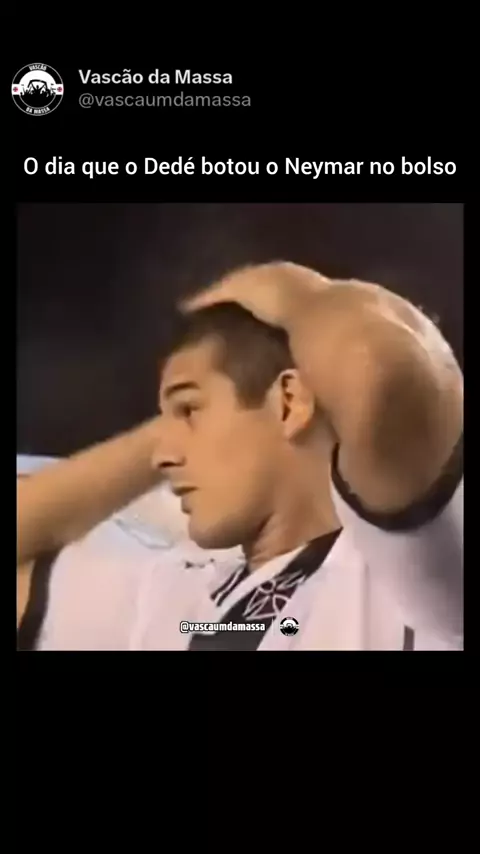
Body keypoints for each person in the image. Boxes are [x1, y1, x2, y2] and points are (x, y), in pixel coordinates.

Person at [17, 262, 463, 651]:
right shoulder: (175, 597)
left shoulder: (404, 580)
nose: (162, 457)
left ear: (289, 403)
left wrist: (298, 297)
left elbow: (382, 374)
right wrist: (173, 424)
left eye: (190, 410)